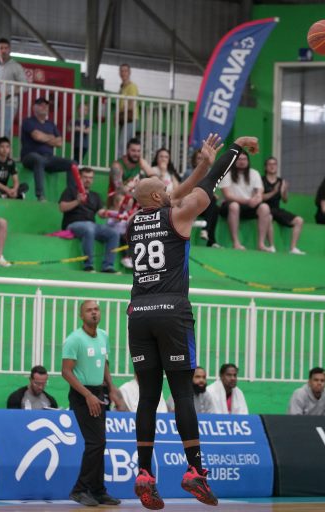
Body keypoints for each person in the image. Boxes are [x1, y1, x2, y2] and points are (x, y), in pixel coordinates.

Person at [126, 132, 252, 509]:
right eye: (163, 187)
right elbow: (205, 188)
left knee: (149, 396)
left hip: (138, 314)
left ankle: (144, 473)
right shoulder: (176, 216)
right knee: (182, 391)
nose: (169, 189)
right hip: (172, 311)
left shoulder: (134, 223)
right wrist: (229, 153)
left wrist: (198, 166)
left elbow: (172, 194)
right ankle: (194, 469)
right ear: (156, 198)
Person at [61, 300, 126, 507]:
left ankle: (98, 491)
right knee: (95, 442)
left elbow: (104, 363)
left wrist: (112, 388)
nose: (94, 313)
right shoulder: (74, 339)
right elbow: (66, 372)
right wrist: (88, 395)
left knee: (100, 442)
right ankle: (79, 490)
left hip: (98, 392)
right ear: (82, 315)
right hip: (82, 395)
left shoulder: (104, 336)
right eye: (89, 310)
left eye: (96, 309)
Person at [58, 167, 119, 273]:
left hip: (92, 225)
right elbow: (62, 207)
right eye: (85, 177)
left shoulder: (95, 195)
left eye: (90, 178)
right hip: (74, 224)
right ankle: (88, 265)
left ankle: (108, 266)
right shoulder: (70, 191)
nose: (88, 180)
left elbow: (101, 212)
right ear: (79, 178)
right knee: (89, 229)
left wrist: (106, 213)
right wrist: (77, 201)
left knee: (114, 233)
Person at [20, 97, 77, 201]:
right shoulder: (28, 121)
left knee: (72, 164)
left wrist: (43, 137)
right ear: (34, 108)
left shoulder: (51, 124)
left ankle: (71, 196)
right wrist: (51, 137)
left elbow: (59, 142)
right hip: (30, 156)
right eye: (41, 105)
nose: (44, 107)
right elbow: (37, 136)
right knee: (38, 159)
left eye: (46, 105)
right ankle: (40, 196)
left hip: (48, 158)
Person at [219, 151, 273, 252]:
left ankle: (261, 244)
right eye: (239, 159)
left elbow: (260, 191)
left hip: (248, 205)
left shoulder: (254, 173)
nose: (242, 162)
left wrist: (257, 198)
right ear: (234, 161)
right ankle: (236, 243)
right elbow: (228, 196)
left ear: (248, 161)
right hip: (229, 206)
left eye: (244, 159)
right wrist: (247, 201)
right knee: (234, 206)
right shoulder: (227, 173)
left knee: (265, 207)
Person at [262, 156, 305, 255]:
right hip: (265, 209)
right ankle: (271, 246)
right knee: (268, 217)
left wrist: (284, 191)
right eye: (270, 164)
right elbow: (261, 198)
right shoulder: (261, 180)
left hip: (277, 209)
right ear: (265, 167)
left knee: (299, 220)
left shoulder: (281, 181)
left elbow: (285, 200)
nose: (272, 166)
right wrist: (274, 192)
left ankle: (293, 248)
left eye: (274, 164)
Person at [0, 38, 27, 137]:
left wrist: (9, 93)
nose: (4, 50)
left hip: (9, 103)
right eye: (1, 48)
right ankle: (1, 147)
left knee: (2, 131)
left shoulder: (16, 67)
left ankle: (4, 147)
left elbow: (25, 86)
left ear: (9, 50)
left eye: (6, 48)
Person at [108, 137, 154, 208]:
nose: (136, 154)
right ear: (127, 150)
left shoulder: (141, 163)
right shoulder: (117, 166)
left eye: (138, 151)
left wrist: (147, 167)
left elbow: (155, 180)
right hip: (118, 199)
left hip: (135, 196)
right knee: (126, 199)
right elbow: (119, 190)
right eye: (133, 151)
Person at [117, 63, 139, 156]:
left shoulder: (132, 86)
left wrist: (120, 112)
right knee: (125, 145)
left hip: (130, 119)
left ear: (129, 72)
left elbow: (131, 105)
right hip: (124, 119)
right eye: (122, 71)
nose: (123, 73)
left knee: (122, 145)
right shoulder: (122, 87)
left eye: (125, 71)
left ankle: (120, 163)